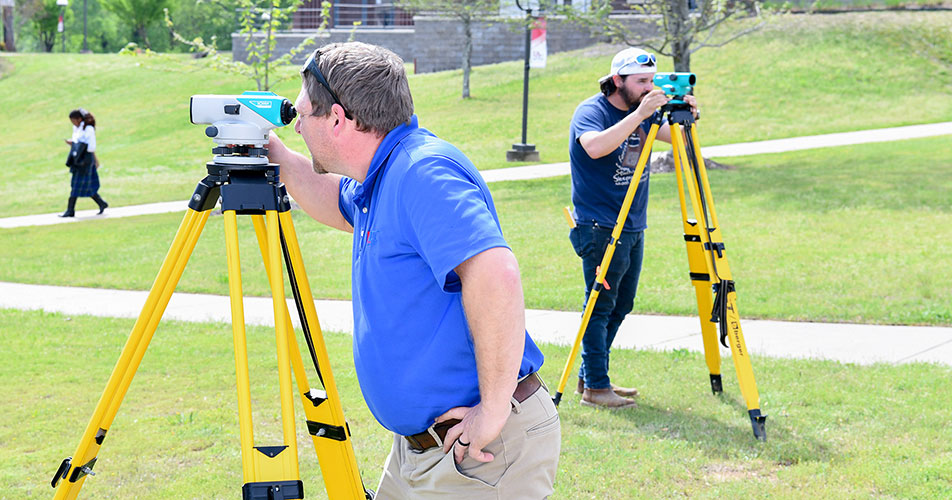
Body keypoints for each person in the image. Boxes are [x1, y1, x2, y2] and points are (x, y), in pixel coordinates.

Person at [266, 42, 560, 499]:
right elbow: (331, 200)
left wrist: (494, 411)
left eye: (302, 115)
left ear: (339, 118)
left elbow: (496, 272)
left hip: (478, 452)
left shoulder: (422, 172)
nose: (298, 125)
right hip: (422, 451)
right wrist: (276, 156)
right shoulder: (381, 176)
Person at [567, 48, 698, 409]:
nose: (647, 88)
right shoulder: (592, 111)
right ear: (618, 80)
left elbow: (681, 140)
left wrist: (686, 115)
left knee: (622, 304)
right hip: (600, 225)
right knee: (599, 304)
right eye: (640, 82)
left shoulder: (644, 113)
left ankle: (592, 375)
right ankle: (596, 387)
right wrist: (640, 114)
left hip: (633, 222)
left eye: (651, 82)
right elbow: (594, 148)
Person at [61, 108, 108, 217]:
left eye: (74, 121)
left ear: (79, 119)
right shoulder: (77, 129)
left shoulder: (88, 129)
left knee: (77, 186)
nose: (73, 123)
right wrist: (73, 143)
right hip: (77, 159)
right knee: (82, 185)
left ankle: (70, 210)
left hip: (85, 160)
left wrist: (93, 159)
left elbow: (91, 146)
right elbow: (78, 141)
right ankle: (102, 203)